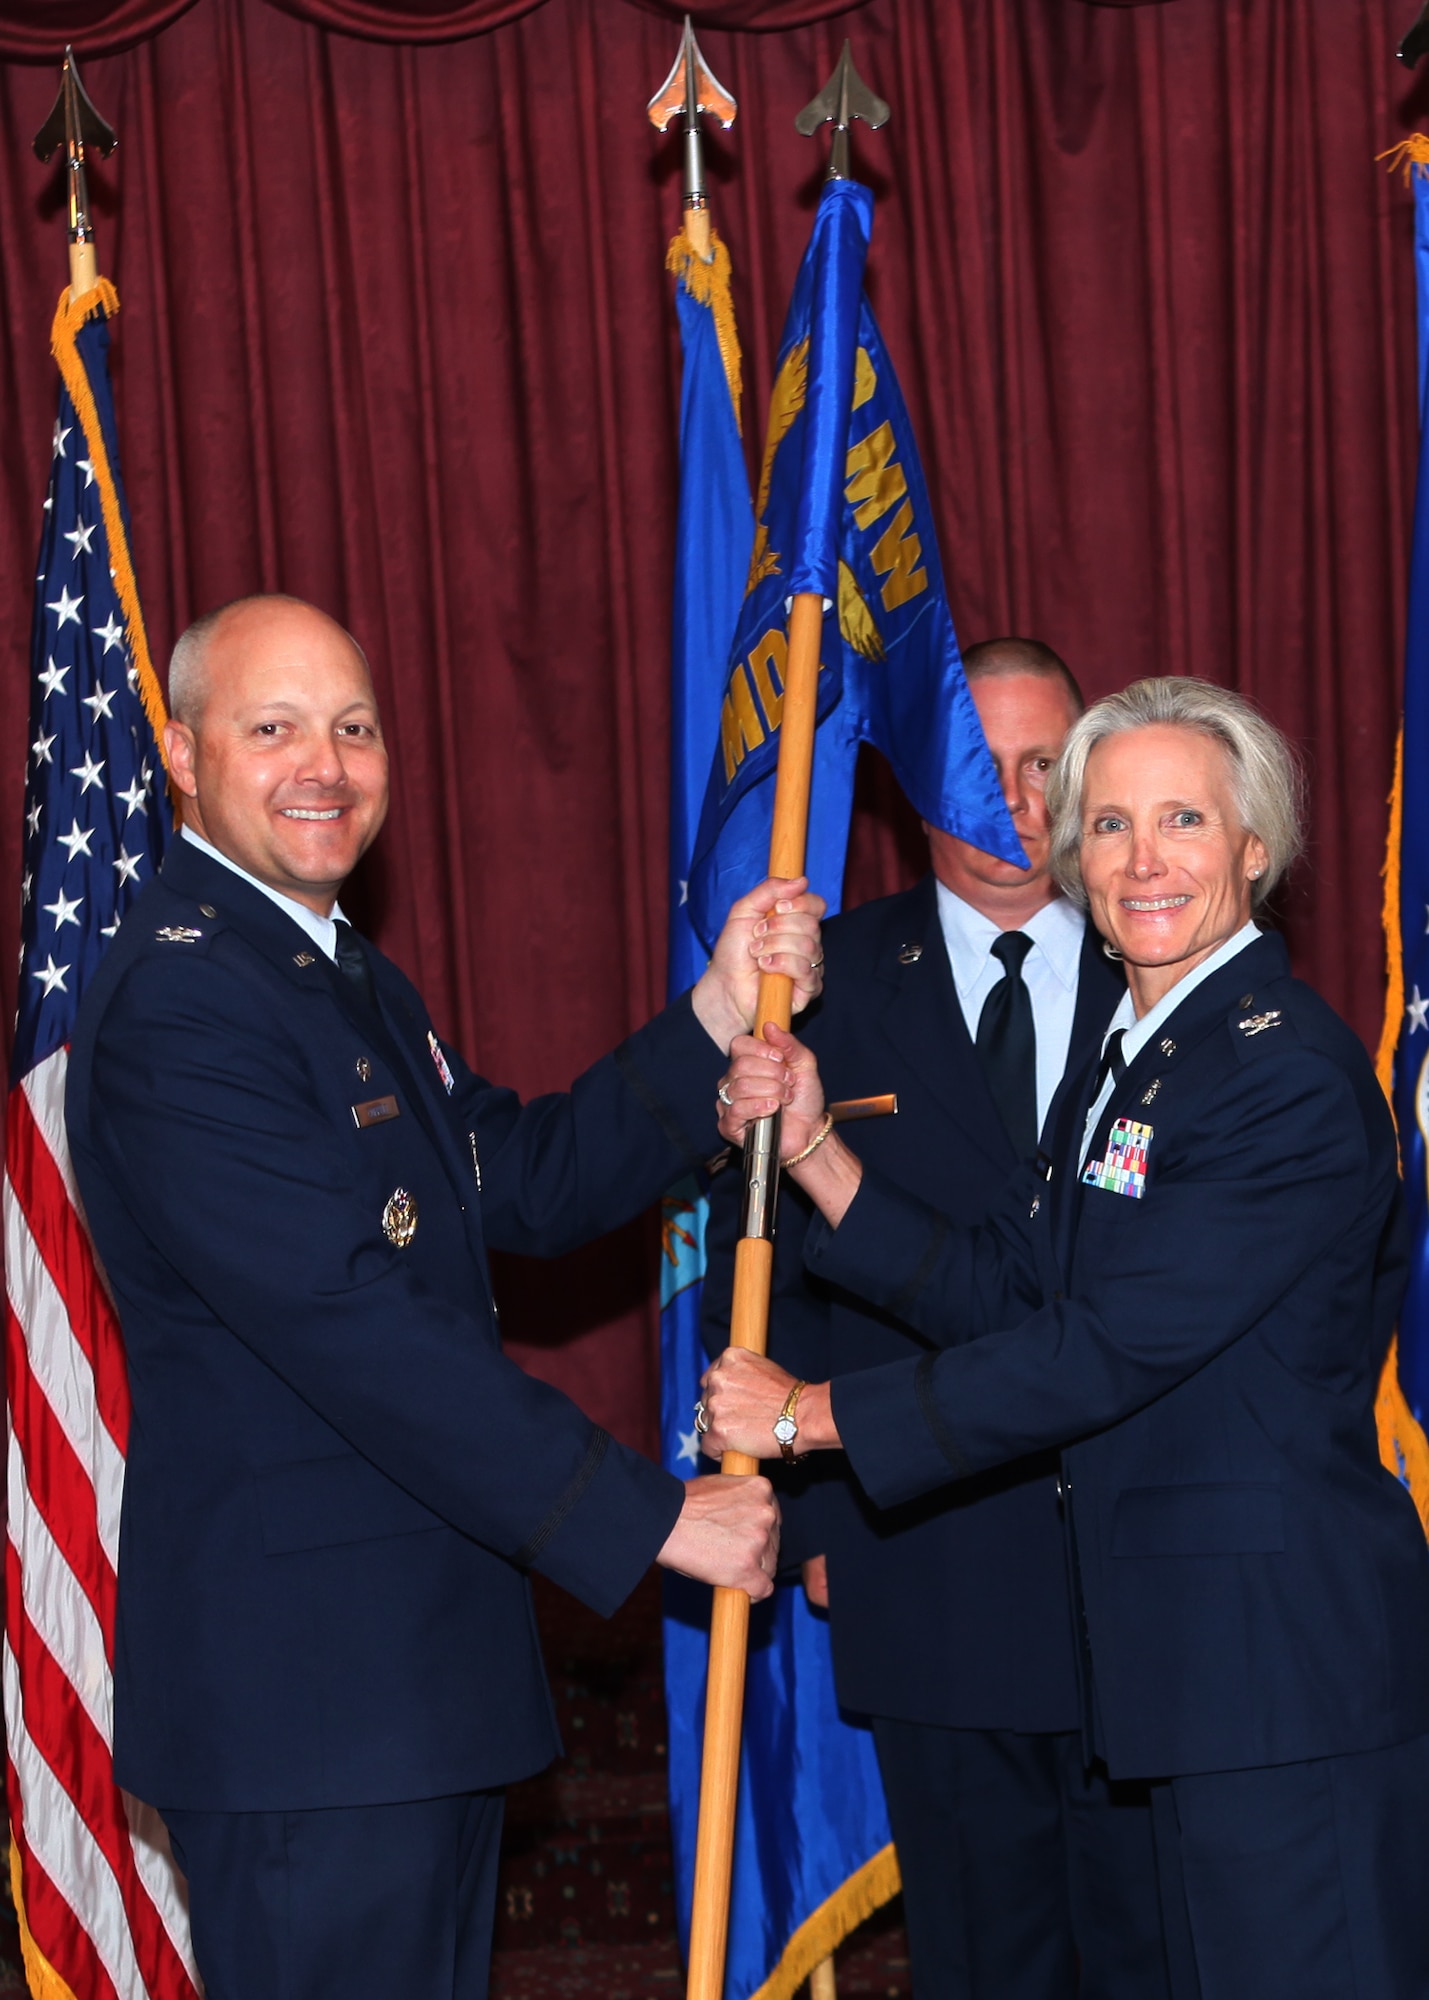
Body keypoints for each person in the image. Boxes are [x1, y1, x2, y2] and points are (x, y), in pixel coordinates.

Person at [64, 594, 824, 2000]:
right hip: (313, 1710)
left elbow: (508, 1178)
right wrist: (652, 1514)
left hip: (399, 1692)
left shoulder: (321, 967)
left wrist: (715, 1019)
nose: (326, 766)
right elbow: (356, 1332)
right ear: (180, 756)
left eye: (353, 727)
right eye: (274, 728)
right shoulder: (188, 1003)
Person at [701, 676, 1429, 2000]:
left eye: (1181, 822)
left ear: (1253, 848)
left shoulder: (1278, 1076)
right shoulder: (1149, 1054)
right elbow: (1013, 1284)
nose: (1141, 860)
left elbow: (1098, 1349)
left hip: (1274, 1677)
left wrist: (812, 1417)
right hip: (1179, 1664)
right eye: (1107, 826)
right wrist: (811, 1146)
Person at [700, 639, 1164, 1999]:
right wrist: (822, 1523)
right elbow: (760, 1268)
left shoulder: (1174, 974)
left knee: (1159, 1951)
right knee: (986, 1957)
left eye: (1043, 770)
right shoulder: (819, 986)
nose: (1014, 807)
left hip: (1145, 1562)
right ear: (915, 788)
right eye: (981, 771)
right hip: (928, 1552)